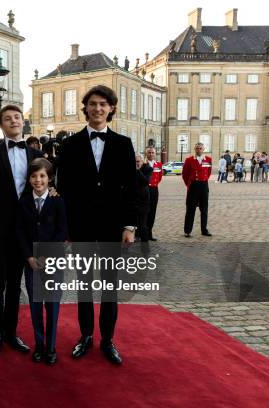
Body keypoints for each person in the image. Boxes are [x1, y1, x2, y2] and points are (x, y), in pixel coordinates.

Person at [57, 85, 136, 365]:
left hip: (112, 228)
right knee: (85, 287)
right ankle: (86, 336)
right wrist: (65, 228)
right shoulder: (70, 145)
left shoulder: (124, 144)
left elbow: (133, 189)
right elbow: (63, 188)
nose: (98, 109)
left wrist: (129, 226)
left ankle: (108, 340)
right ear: (86, 108)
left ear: (111, 108)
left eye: (103, 104)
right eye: (93, 104)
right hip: (81, 228)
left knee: (110, 288)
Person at [0, 104, 43, 358]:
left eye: (17, 117)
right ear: (1, 125)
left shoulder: (36, 154)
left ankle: (12, 333)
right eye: (7, 118)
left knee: (15, 285)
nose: (13, 121)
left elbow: (45, 188)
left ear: (22, 123)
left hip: (24, 231)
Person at [16, 158, 67, 365]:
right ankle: (39, 345)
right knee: (36, 305)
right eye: (34, 176)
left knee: (52, 304)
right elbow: (19, 231)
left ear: (50, 179)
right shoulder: (24, 202)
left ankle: (51, 346)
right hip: (31, 263)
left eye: (42, 176)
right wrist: (29, 256)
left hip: (53, 261)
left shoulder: (57, 201)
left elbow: (62, 231)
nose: (38, 180)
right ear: (29, 179)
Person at [182, 142, 212, 238]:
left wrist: (204, 180)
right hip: (193, 186)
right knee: (190, 209)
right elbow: (185, 174)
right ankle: (187, 230)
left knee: (204, 209)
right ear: (194, 149)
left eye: (200, 148)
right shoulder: (189, 160)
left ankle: (204, 230)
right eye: (197, 148)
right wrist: (189, 184)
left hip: (204, 185)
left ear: (203, 149)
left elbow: (209, 172)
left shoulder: (208, 160)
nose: (198, 150)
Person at [145, 147, 162, 240]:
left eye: (152, 152)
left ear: (155, 154)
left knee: (152, 212)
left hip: (154, 190)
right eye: (149, 152)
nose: (151, 154)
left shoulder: (158, 164)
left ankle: (149, 233)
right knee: (144, 212)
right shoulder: (143, 164)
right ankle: (142, 233)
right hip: (145, 190)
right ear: (146, 154)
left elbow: (159, 177)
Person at [136, 154, 154, 243]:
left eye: (138, 161)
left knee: (143, 225)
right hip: (132, 201)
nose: (136, 163)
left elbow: (145, 181)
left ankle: (145, 248)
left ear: (143, 162)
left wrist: (138, 171)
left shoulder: (148, 169)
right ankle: (125, 248)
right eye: (134, 161)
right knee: (128, 226)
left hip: (143, 201)